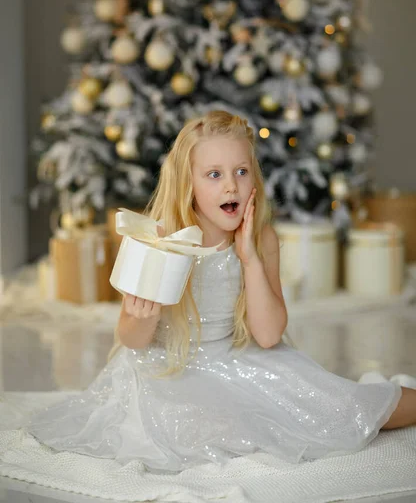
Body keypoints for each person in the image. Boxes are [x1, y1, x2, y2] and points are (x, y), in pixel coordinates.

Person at [8, 111, 416, 473]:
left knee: (351, 410)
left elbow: (269, 335)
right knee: (210, 431)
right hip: (166, 370)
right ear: (189, 184)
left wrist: (251, 259)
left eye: (241, 171)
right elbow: (129, 338)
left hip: (239, 359)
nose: (231, 186)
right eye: (214, 174)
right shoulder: (162, 238)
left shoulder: (261, 237)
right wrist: (143, 315)